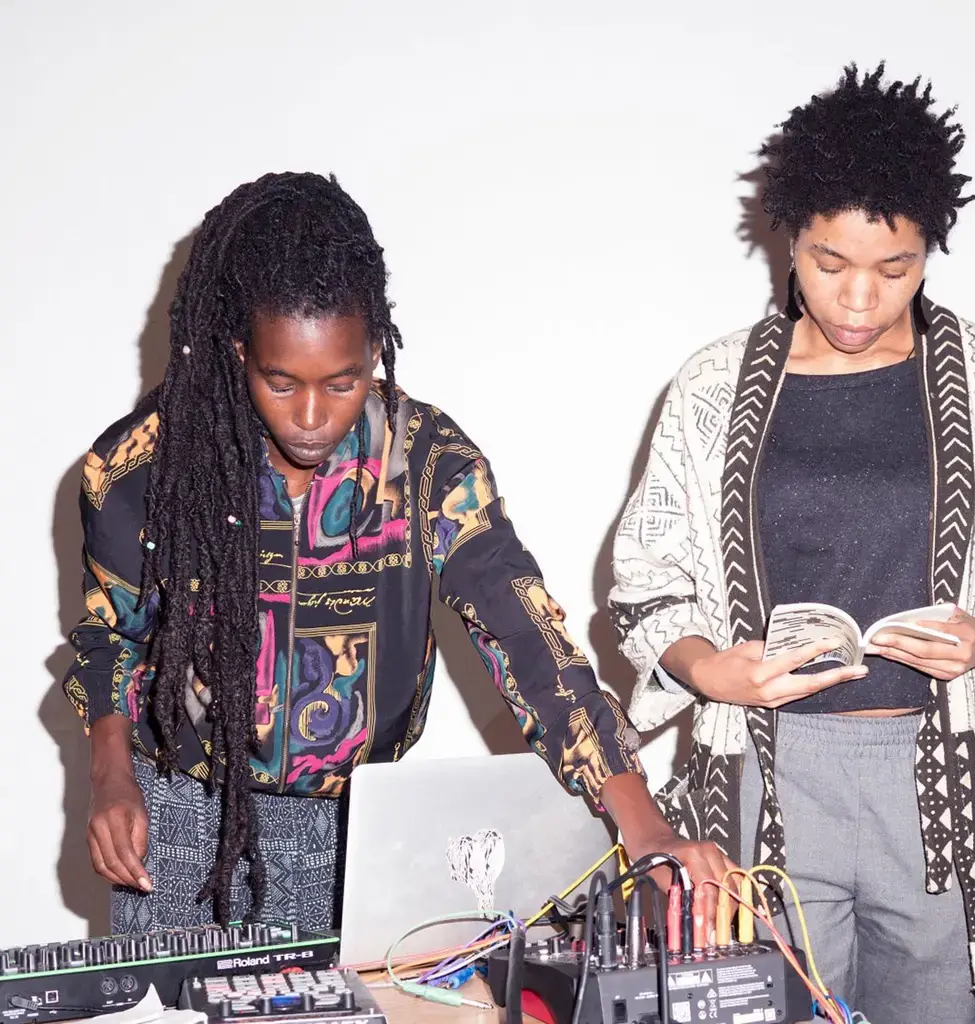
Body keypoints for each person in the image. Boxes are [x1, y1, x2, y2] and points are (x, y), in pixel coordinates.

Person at [63, 171, 727, 933]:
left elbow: (524, 633)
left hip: (359, 834)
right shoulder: (144, 468)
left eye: (343, 381)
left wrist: (640, 823)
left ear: (377, 347)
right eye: (280, 382)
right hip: (177, 827)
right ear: (237, 348)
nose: (312, 416)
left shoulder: (428, 464)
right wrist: (111, 776)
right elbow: (109, 636)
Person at [609, 63, 975, 1023]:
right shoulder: (714, 388)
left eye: (896, 267)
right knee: (765, 1006)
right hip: (765, 772)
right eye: (830, 264)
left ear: (931, 250)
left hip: (939, 782)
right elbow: (646, 583)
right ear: (789, 240)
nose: (861, 299)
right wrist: (713, 671)